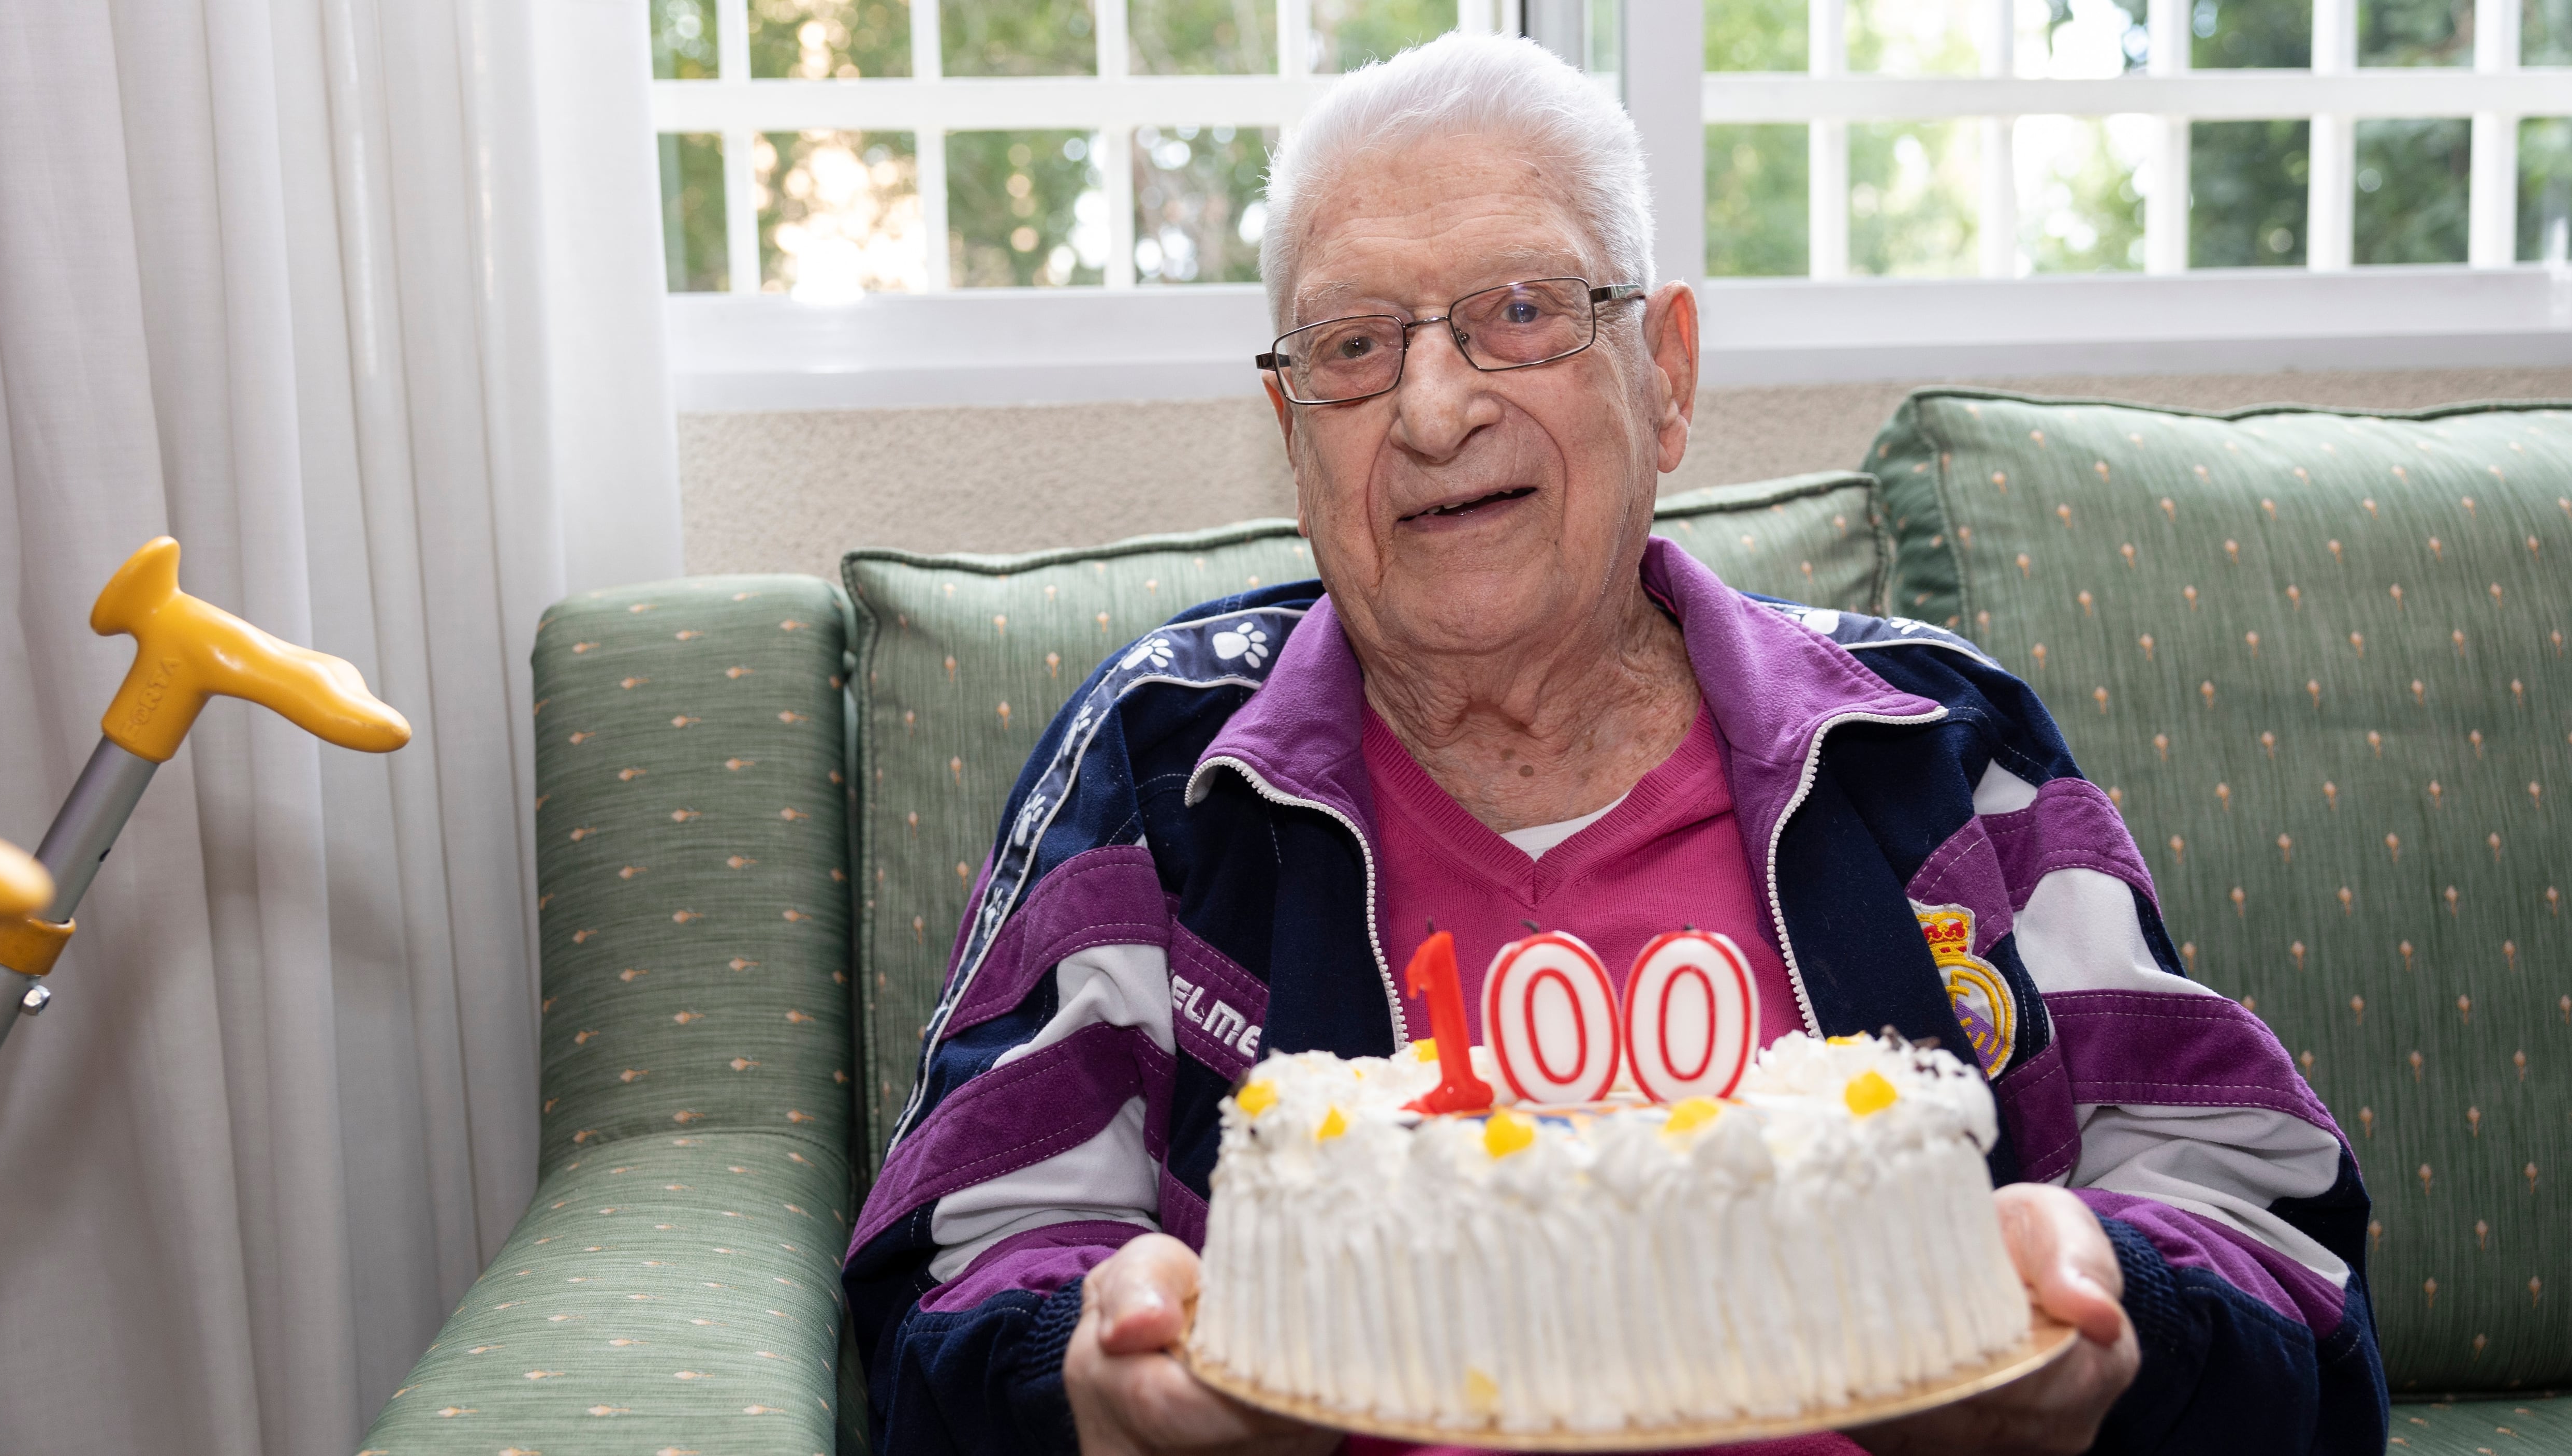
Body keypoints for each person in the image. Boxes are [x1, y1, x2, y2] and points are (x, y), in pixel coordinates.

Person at [843, 33, 2386, 1456]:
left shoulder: (1928, 751)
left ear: (1669, 375)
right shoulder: (1161, 774)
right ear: (1291, 422)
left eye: (1521, 311)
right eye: (1355, 346)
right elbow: (956, 1277)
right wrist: (1090, 1381)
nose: (1436, 409)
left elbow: (2272, 1238)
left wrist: (2116, 1326)